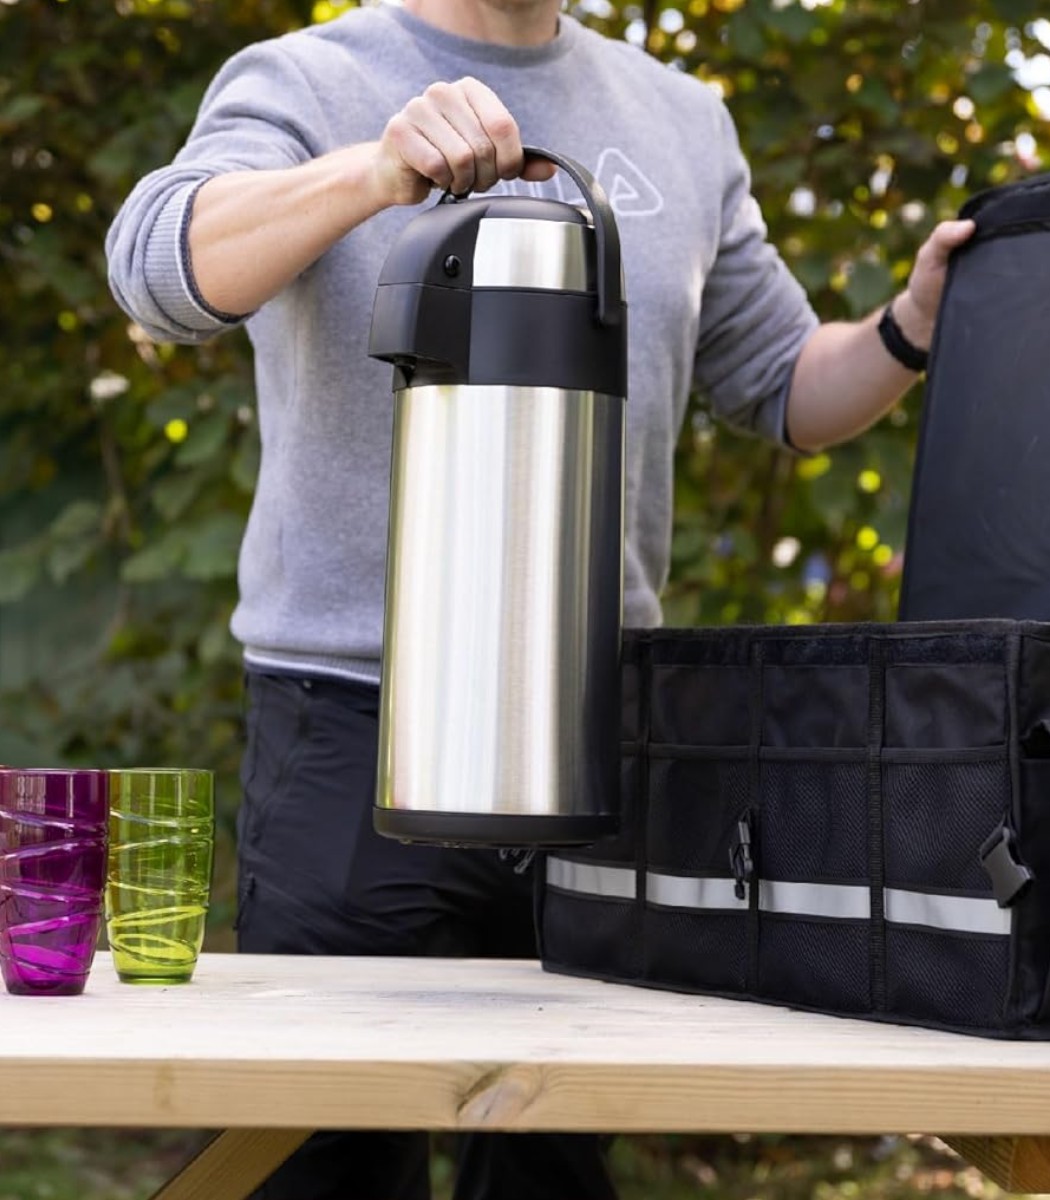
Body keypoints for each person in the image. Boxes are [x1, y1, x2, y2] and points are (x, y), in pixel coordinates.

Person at [105, 1, 973, 1196]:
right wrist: (373, 172)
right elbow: (155, 269)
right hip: (354, 733)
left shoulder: (681, 118)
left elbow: (783, 384)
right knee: (321, 1162)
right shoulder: (311, 77)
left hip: (595, 736)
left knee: (552, 1165)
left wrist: (910, 327)